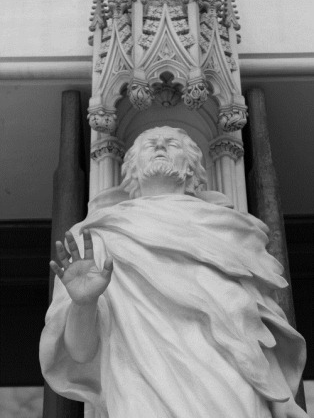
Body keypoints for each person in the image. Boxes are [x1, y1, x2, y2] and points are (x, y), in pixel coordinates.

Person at [40, 126, 308, 418]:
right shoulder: (96, 237)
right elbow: (80, 353)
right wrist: (83, 303)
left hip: (228, 378)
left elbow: (252, 321)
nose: (160, 147)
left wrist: (281, 398)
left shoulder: (231, 230)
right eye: (150, 144)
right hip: (141, 379)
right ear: (130, 169)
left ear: (192, 168)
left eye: (171, 144)